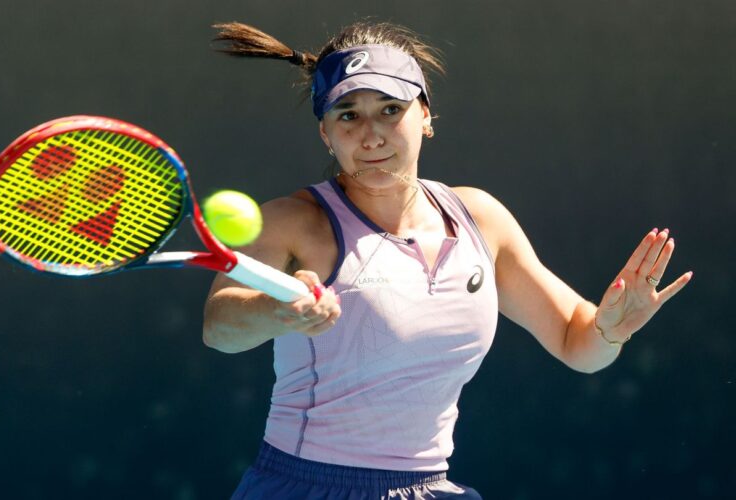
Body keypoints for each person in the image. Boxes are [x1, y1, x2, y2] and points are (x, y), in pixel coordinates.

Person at [202, 21, 692, 500]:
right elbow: (220, 326)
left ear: (426, 116)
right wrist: (277, 310)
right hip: (307, 486)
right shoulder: (293, 221)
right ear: (326, 135)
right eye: (348, 115)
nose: (370, 135)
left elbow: (575, 340)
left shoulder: (479, 217)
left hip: (428, 486)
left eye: (390, 110)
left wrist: (610, 329)